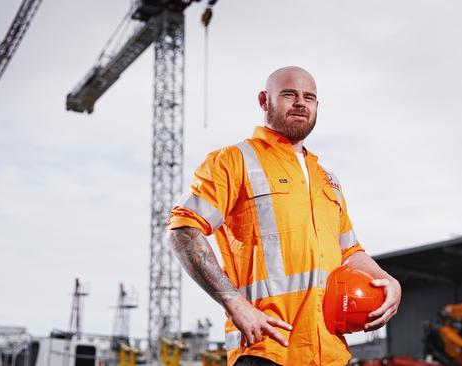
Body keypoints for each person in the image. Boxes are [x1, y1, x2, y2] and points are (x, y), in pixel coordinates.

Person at [166, 66, 401, 366]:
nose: (301, 102)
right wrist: (234, 303)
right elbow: (183, 230)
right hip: (265, 348)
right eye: (289, 94)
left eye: (309, 97)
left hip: (330, 354)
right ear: (264, 101)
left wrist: (388, 281)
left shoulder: (327, 179)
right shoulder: (233, 161)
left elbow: (349, 251)